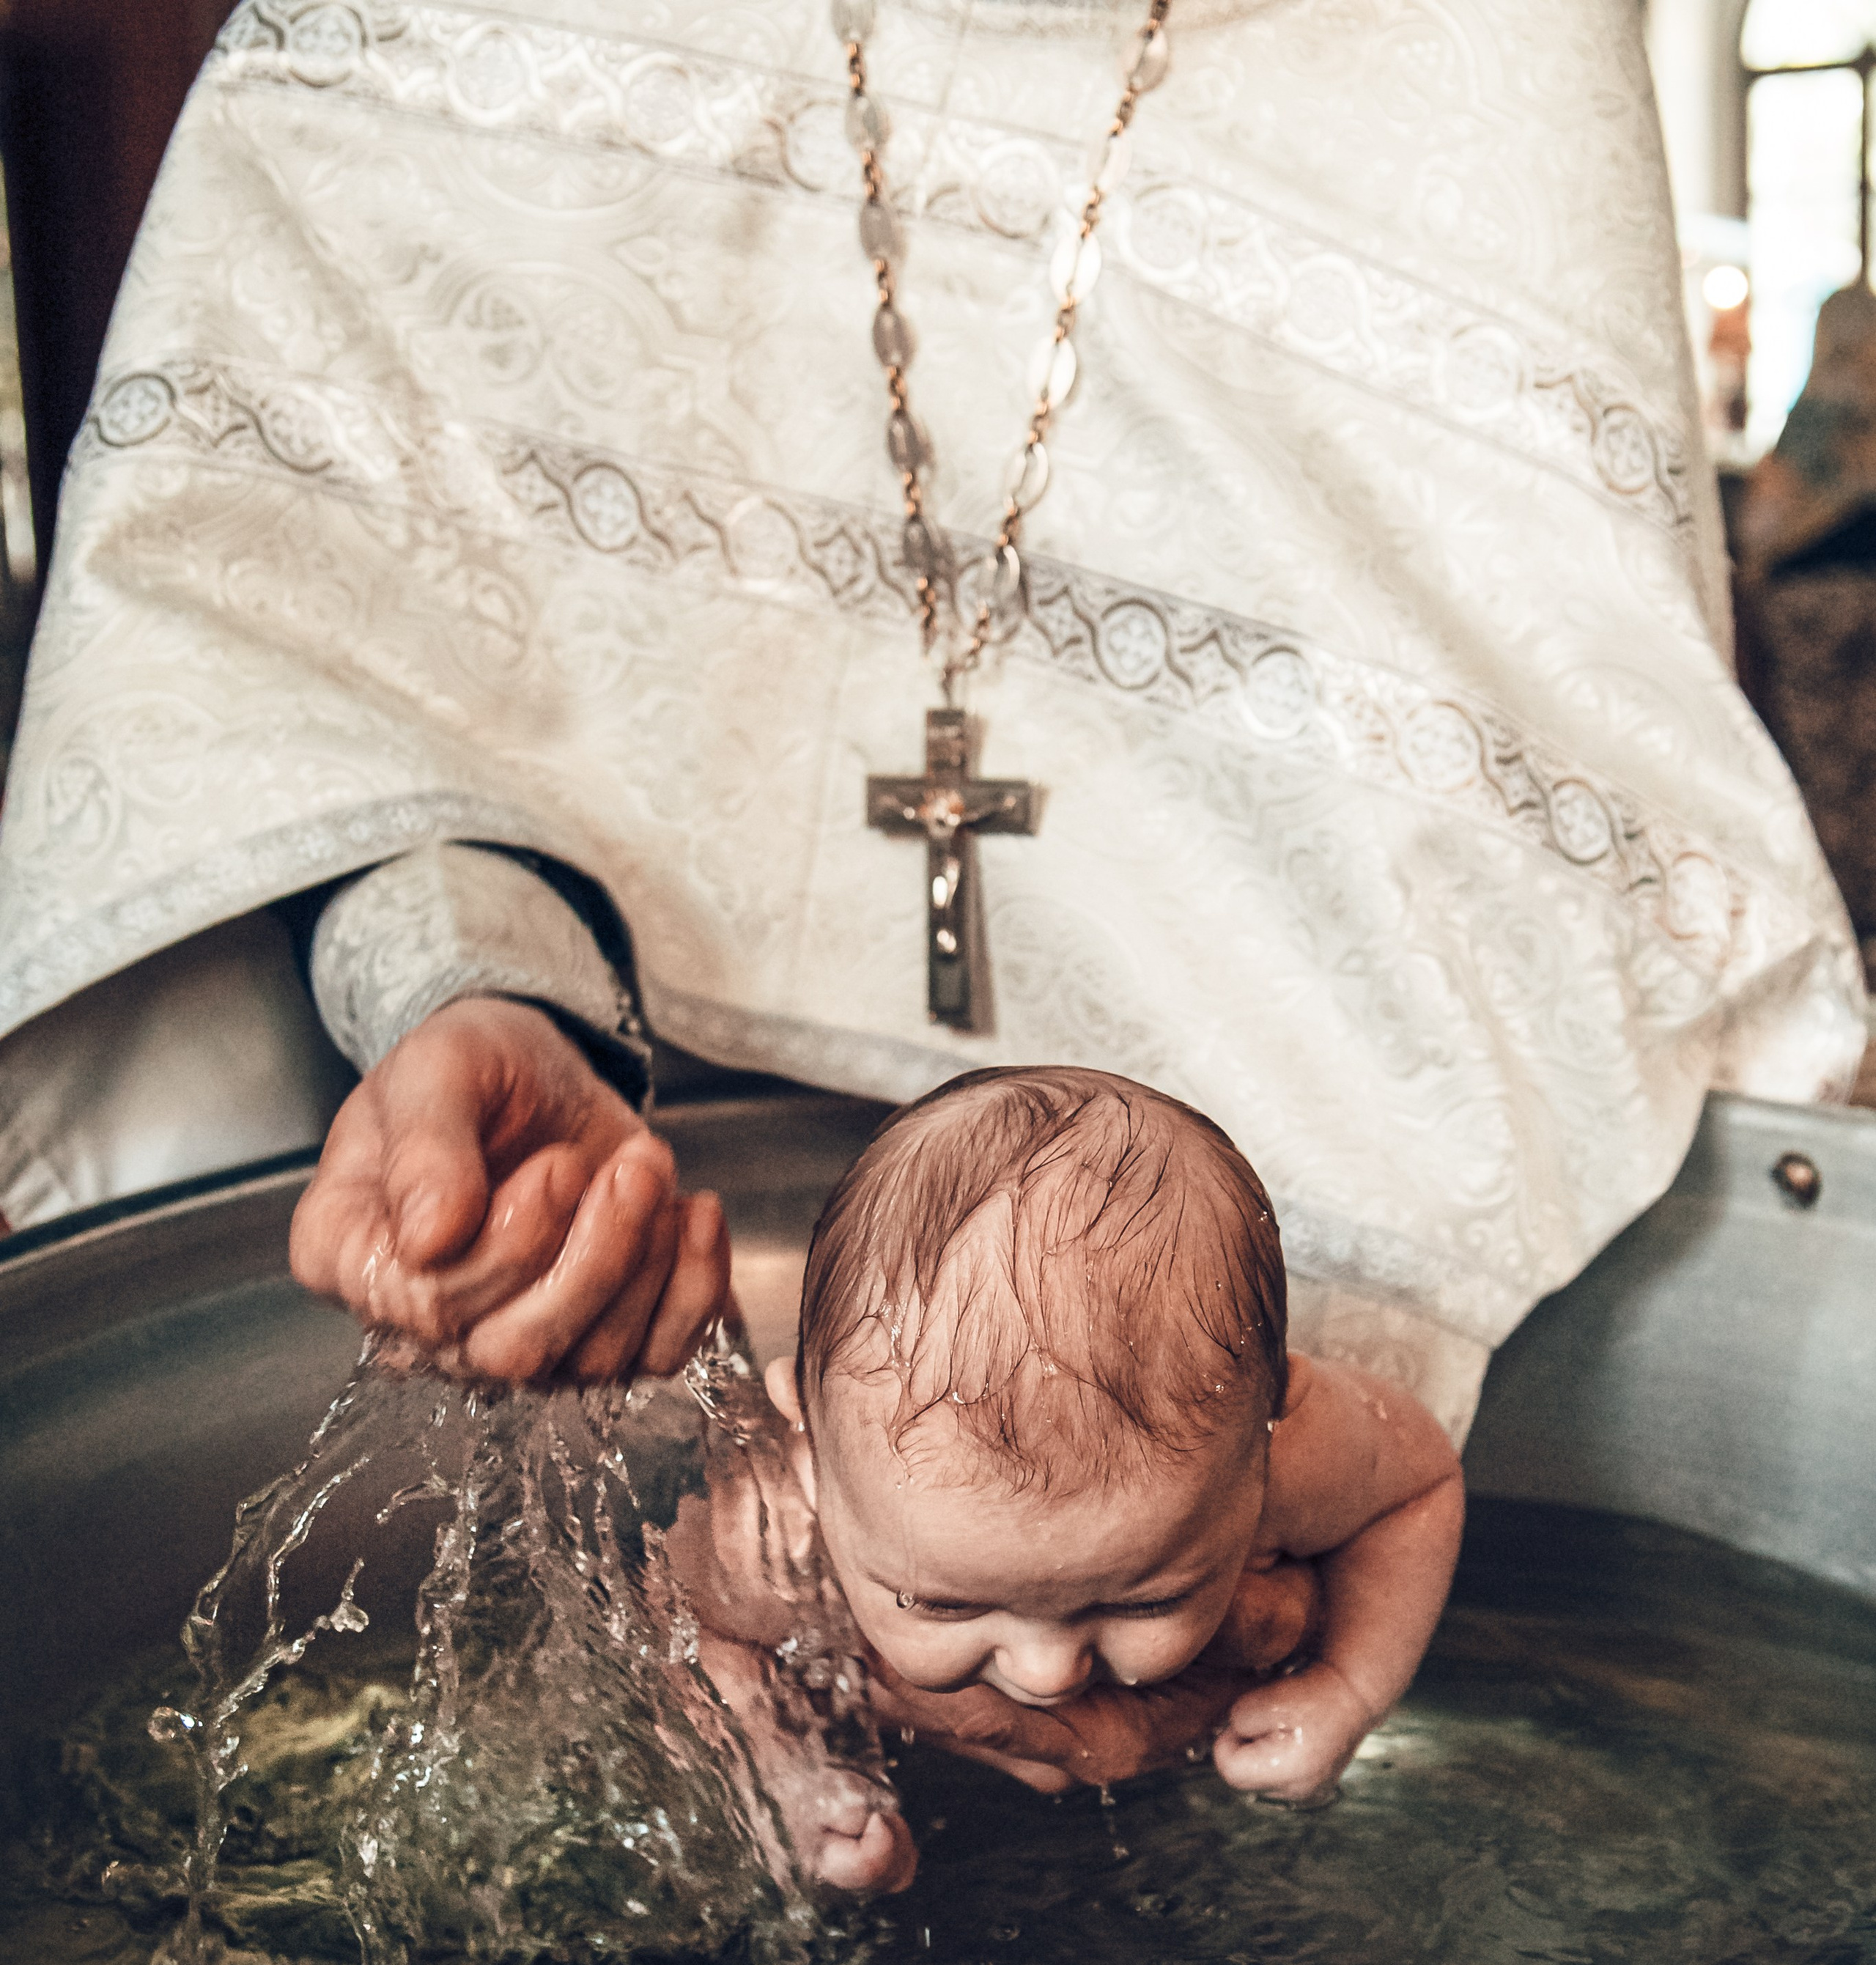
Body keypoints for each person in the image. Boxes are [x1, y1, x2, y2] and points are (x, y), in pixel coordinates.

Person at [0, 0, 1863, 1417]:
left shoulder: (1476, 41)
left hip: (1264, 1306)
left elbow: (1542, 742)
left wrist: (1310, 1396)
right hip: (613, 1177)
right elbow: (303, 611)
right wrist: (463, 975)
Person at [672, 1067, 1460, 1893]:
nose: (1048, 1672)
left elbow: (1418, 1487)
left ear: (1264, 1435)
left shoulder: (1288, 1456)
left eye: (1140, 1599)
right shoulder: (773, 1542)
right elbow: (686, 1629)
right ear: (810, 1451)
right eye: (944, 1602)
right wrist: (780, 1770)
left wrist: (1350, 1685)